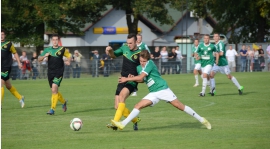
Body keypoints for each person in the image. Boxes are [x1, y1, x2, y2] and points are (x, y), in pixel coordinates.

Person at [111, 50, 211, 130]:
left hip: (162, 89)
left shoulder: (150, 63)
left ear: (148, 59)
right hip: (153, 92)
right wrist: (133, 76)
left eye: (144, 61)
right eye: (141, 61)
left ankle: (202, 120)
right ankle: (123, 124)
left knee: (180, 106)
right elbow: (143, 80)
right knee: (138, 106)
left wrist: (127, 78)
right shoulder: (139, 68)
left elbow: (141, 77)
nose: (142, 63)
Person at [106, 34, 147, 131]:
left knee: (122, 97)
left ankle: (115, 123)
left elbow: (144, 69)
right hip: (122, 79)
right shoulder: (124, 48)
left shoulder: (141, 53)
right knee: (117, 106)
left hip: (132, 81)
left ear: (136, 41)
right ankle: (135, 120)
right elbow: (113, 55)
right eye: (128, 43)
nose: (129, 45)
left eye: (131, 43)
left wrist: (136, 76)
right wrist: (110, 50)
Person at [38, 34, 70, 115]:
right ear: (52, 41)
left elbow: (69, 55)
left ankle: (52, 109)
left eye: (56, 39)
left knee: (54, 89)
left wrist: (68, 60)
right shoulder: (47, 49)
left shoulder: (62, 49)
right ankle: (63, 102)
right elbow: (39, 59)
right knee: (54, 91)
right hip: (50, 72)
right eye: (54, 40)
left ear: (58, 41)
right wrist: (44, 56)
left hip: (59, 71)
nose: (55, 41)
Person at [1, 30, 25, 108]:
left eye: (2, 34)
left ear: (5, 35)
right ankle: (20, 98)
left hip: (6, 67)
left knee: (1, 83)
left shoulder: (9, 44)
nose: (1, 36)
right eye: (0, 34)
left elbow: (15, 53)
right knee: (8, 86)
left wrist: (18, 62)